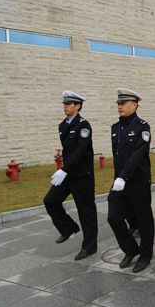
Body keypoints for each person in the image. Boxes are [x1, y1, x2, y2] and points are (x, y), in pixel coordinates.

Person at [43, 91, 98, 261]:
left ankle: (89, 247)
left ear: (78, 106)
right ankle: (68, 228)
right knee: (50, 200)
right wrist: (62, 159)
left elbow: (80, 151)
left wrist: (64, 169)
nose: (65, 107)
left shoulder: (84, 125)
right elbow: (69, 150)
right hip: (68, 173)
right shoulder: (62, 125)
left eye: (69, 104)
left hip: (82, 175)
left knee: (86, 212)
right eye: (64, 104)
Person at [107, 88, 154, 273]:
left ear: (134, 105)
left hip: (137, 181)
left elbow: (137, 154)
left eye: (123, 103)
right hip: (119, 181)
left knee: (143, 220)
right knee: (114, 218)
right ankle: (130, 249)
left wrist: (124, 176)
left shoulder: (143, 127)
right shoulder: (115, 128)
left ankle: (145, 255)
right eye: (118, 103)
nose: (120, 106)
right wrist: (119, 178)